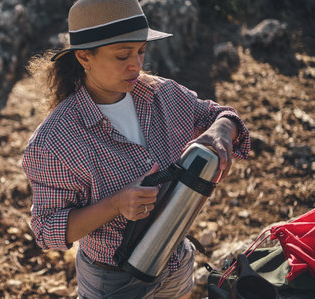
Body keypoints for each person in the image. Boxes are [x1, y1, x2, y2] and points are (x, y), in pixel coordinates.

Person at [22, 0, 250, 298]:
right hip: (114, 281)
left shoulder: (162, 94)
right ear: (83, 57)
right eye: (122, 55)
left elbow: (219, 115)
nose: (137, 64)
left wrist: (222, 128)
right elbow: (47, 229)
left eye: (141, 50)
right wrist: (115, 205)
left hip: (176, 262)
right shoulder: (54, 142)